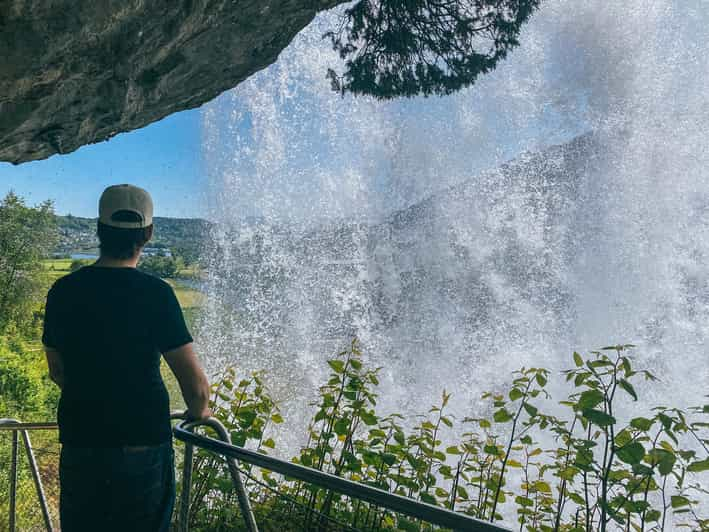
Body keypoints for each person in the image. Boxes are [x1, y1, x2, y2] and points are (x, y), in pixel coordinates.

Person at [42, 184, 212, 531]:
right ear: (148, 235)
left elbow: (58, 370)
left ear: (99, 229)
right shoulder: (157, 294)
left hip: (82, 438)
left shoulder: (63, 291)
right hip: (143, 439)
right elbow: (194, 386)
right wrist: (199, 413)